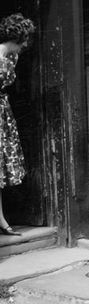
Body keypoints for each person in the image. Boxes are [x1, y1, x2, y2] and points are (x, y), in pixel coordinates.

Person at [0, 13, 35, 236]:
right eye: (26, 39)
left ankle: (1, 219)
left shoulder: (12, 57)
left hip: (3, 112)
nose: (26, 44)